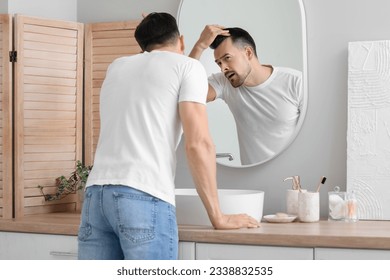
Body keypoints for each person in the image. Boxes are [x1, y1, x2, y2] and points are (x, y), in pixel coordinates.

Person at [77, 13, 259, 260]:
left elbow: (170, 76)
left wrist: (200, 46)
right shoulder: (187, 67)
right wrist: (219, 216)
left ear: (143, 44)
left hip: (96, 198)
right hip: (142, 196)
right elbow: (199, 144)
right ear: (180, 41)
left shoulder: (117, 66)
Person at [189, 26, 303, 165]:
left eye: (227, 58)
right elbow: (189, 93)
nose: (223, 67)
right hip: (251, 179)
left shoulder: (295, 81)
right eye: (219, 63)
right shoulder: (224, 83)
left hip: (293, 178)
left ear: (248, 53)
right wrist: (199, 46)